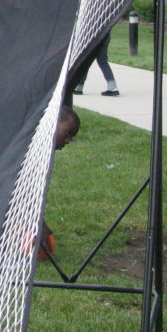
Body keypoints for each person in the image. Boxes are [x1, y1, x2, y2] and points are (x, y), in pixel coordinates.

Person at [38, 105, 81, 261]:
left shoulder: (45, 154)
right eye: (67, 133)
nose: (68, 140)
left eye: (72, 137)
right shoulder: (29, 148)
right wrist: (39, 227)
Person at [70, 29, 120, 96]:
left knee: (85, 61)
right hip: (104, 37)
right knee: (103, 62)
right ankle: (113, 87)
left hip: (92, 38)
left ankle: (79, 86)